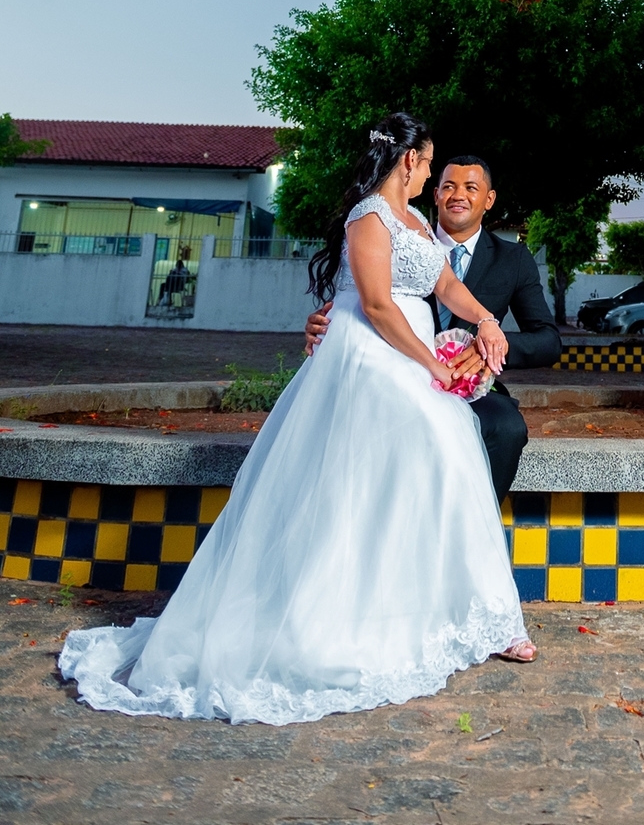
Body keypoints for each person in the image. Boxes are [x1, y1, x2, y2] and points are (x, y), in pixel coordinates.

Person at [59, 112, 535, 725]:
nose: (430, 181)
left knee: (443, 460)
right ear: (410, 160)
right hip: (372, 356)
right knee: (369, 477)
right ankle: (334, 616)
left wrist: (487, 321)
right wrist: (434, 367)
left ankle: (445, 609)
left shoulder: (417, 222)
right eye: (428, 164)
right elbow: (376, 305)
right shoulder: (369, 217)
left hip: (412, 356)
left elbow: (444, 287)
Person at [305, 154, 560, 502]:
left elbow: (548, 341)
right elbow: (365, 300)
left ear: (489, 199)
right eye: (448, 186)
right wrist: (328, 325)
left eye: (471, 188)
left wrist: (489, 351)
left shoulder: (513, 260)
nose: (458, 195)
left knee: (506, 427)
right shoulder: (394, 233)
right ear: (435, 193)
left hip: (466, 385)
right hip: (392, 373)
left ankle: (475, 535)